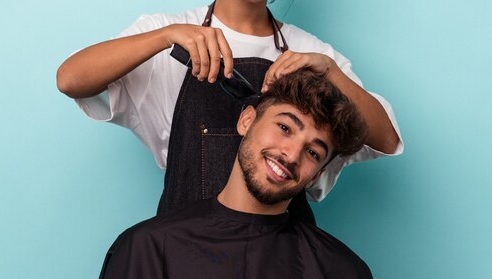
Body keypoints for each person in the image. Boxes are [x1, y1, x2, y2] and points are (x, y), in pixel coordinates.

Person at [54, 68, 386, 279]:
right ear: (246, 120)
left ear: (317, 174)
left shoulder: (344, 276)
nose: (290, 154)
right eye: (285, 128)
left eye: (314, 153)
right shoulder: (146, 251)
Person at [56, 0, 403, 221]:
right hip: (180, 252)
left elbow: (386, 139)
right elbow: (71, 79)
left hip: (281, 264)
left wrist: (331, 71)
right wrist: (163, 37)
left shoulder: (313, 51)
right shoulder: (167, 33)